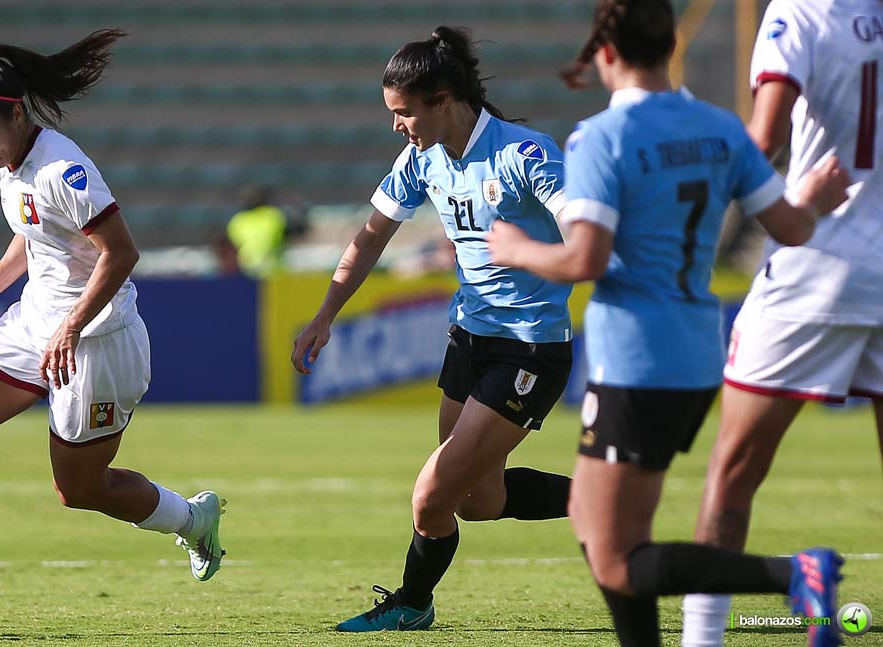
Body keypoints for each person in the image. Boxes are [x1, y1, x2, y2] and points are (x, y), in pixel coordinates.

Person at [486, 2, 851, 646]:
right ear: (670, 46)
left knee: (613, 557)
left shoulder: (601, 137)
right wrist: (812, 201)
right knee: (613, 539)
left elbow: (584, 258)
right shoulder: (719, 127)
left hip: (636, 357)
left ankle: (797, 576)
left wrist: (514, 249)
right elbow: (791, 229)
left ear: (604, 53)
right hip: (695, 357)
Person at [292, 26, 575, 632]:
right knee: (478, 501)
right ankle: (607, 500)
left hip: (529, 347)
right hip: (470, 339)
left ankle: (411, 604)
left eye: (403, 113)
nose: (397, 125)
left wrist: (532, 247)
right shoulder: (422, 158)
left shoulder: (524, 154)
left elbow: (583, 229)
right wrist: (324, 315)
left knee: (431, 497)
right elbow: (371, 236)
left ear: (442, 98)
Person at [0, 29, 226, 616]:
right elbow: (34, 228)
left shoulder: (65, 169)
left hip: (97, 342)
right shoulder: (9, 161)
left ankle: (193, 518)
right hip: (36, 324)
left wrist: (71, 326)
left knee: (80, 490)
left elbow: (121, 253)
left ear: (15, 116)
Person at [682, 1, 883, 644]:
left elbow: (762, 140)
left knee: (733, 469)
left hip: (817, 267)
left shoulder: (800, 11)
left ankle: (702, 637)